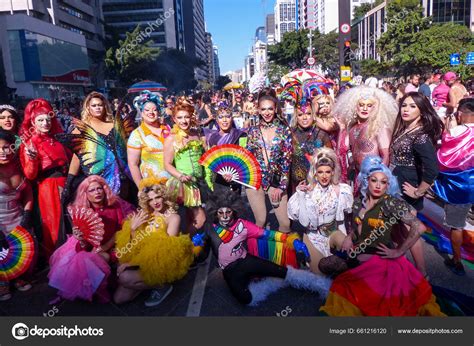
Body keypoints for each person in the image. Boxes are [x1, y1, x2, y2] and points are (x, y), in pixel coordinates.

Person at [319, 156, 444, 316]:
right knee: (324, 264)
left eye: (383, 182)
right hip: (358, 254)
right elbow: (358, 228)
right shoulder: (359, 202)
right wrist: (350, 237)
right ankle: (352, 271)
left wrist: (398, 251)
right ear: (366, 181)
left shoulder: (389, 203)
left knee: (369, 302)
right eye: (374, 180)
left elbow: (419, 227)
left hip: (381, 262)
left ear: (388, 185)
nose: (378, 185)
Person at [204, 190, 330, 305]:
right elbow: (201, 255)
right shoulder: (210, 229)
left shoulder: (243, 225)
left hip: (246, 260)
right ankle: (274, 282)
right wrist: (196, 247)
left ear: (234, 211)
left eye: (228, 212)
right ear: (215, 213)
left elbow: (268, 234)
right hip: (230, 270)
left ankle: (322, 285)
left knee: (283, 271)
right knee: (247, 300)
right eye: (221, 213)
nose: (225, 216)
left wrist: (292, 240)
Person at [48, 176, 133, 302]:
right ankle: (93, 292)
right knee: (84, 258)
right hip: (94, 250)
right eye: (92, 190)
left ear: (105, 190)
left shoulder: (115, 205)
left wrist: (103, 248)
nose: (97, 192)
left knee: (100, 256)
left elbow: (122, 231)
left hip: (116, 244)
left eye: (99, 188)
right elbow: (84, 247)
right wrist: (80, 239)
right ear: (85, 194)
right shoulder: (84, 213)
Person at [114, 177, 194, 306]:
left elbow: (166, 252)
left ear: (164, 196)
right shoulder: (145, 215)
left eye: (157, 197)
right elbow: (134, 246)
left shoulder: (173, 217)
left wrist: (132, 264)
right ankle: (141, 283)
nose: (155, 202)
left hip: (161, 263)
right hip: (143, 259)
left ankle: (162, 286)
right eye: (150, 199)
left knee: (124, 278)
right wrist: (133, 230)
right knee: (119, 299)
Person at [19, 99, 71, 259]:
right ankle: (58, 260)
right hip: (48, 188)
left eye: (48, 119)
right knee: (55, 224)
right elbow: (30, 175)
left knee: (69, 221)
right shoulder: (30, 142)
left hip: (66, 184)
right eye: (40, 120)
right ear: (33, 122)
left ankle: (72, 256)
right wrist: (33, 159)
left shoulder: (55, 139)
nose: (45, 123)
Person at [288, 148, 353, 274]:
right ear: (315, 173)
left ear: (333, 172)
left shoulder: (341, 191)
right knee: (320, 276)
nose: (324, 176)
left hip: (333, 232)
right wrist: (301, 196)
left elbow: (347, 218)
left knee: (352, 255)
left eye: (328, 172)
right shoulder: (308, 191)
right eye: (320, 172)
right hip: (313, 237)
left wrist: (348, 237)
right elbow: (304, 223)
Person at [60, 91, 132, 203]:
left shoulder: (114, 125)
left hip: (124, 176)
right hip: (99, 179)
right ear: (88, 108)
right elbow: (77, 158)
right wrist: (69, 182)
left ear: (105, 106)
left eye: (100, 105)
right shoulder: (82, 129)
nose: (97, 108)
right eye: (94, 105)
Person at [433, 98, 474, 276]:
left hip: (461, 187)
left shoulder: (456, 132)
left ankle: (457, 261)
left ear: (460, 114)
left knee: (456, 226)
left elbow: (443, 155)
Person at [163, 97, 213, 234]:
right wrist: (181, 175)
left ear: (191, 117)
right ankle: (187, 244)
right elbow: (167, 164)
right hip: (183, 185)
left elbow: (204, 159)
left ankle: (193, 245)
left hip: (199, 183)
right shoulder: (171, 139)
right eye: (180, 117)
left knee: (194, 219)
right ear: (174, 119)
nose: (184, 121)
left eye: (186, 117)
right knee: (199, 218)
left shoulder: (197, 135)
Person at [245, 95, 292, 232]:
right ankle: (261, 252)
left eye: (270, 109)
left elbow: (286, 161)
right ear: (258, 110)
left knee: (285, 223)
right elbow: (247, 157)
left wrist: (282, 187)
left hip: (276, 180)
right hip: (256, 180)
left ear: (275, 109)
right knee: (261, 220)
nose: (267, 112)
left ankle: (284, 252)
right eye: (263, 109)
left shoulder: (284, 130)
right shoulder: (253, 131)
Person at [390, 92, 443, 211]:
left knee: (407, 226)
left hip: (407, 185)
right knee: (395, 226)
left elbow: (432, 169)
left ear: (422, 111)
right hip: (395, 182)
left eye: (413, 106)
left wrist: (418, 192)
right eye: (404, 105)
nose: (406, 109)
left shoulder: (420, 137)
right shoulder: (405, 130)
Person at [333, 86, 397, 183]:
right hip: (357, 179)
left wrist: (377, 181)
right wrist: (342, 129)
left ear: (375, 108)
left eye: (369, 105)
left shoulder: (379, 127)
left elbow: (386, 156)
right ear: (355, 106)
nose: (365, 108)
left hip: (373, 180)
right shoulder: (352, 129)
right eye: (361, 105)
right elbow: (341, 151)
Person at [0, 130, 34, 301]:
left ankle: (17, 276)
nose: (3, 152)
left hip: (18, 217)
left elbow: (28, 193)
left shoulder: (19, 164)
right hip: (0, 221)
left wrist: (27, 213)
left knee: (16, 251)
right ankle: (2, 282)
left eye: (6, 147)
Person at [127, 91, 171, 188]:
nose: (151, 113)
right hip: (153, 189)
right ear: (141, 113)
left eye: (154, 110)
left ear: (158, 112)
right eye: (147, 110)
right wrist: (141, 188)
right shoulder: (136, 135)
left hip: (174, 185)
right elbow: (133, 164)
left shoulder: (168, 128)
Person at [289, 101, 332, 195]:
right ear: (296, 116)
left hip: (318, 186)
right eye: (300, 114)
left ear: (313, 115)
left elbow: (331, 162)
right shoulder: (290, 134)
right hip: (296, 186)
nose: (305, 118)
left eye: (308, 114)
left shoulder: (321, 134)